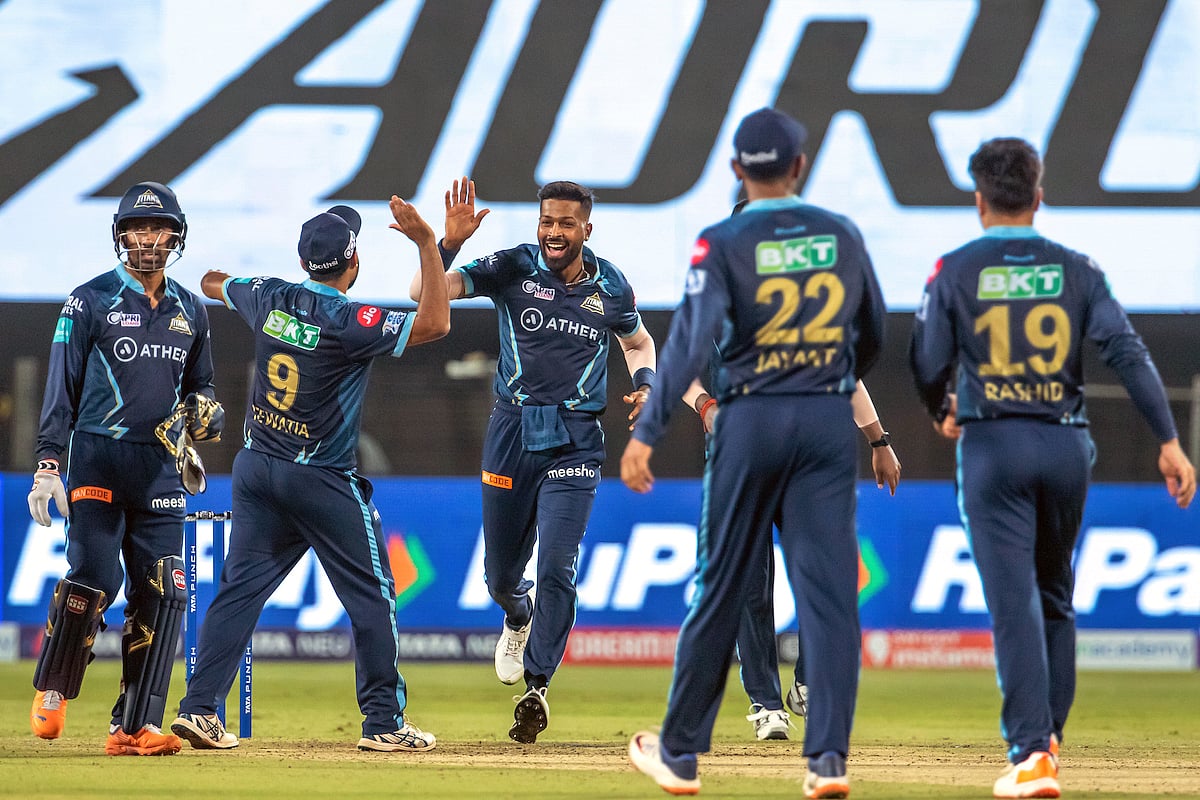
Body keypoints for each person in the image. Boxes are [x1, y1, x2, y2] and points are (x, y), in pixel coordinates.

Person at [910, 137, 1195, 799]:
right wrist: (1169, 440)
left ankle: (1031, 754)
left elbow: (926, 358)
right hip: (1065, 445)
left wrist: (940, 406)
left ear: (979, 201)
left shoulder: (954, 268)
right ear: (1038, 198)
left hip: (993, 446)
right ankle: (1049, 741)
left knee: (1013, 605)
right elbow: (1128, 355)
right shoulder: (1078, 268)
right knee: (1055, 600)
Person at [622, 107, 885, 798]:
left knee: (723, 585)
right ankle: (827, 760)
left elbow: (687, 343)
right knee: (830, 601)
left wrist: (647, 431)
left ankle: (680, 754)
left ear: (738, 169)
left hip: (750, 420)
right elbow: (874, 336)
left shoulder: (722, 241)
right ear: (799, 165)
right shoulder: (841, 234)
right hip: (827, 422)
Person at [170, 197, 450, 752]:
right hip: (319, 475)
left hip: (256, 470)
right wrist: (425, 243)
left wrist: (232, 284)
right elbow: (437, 323)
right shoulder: (352, 321)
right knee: (373, 596)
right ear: (353, 262)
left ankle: (199, 710)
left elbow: (208, 280)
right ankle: (383, 724)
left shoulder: (270, 296)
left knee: (239, 592)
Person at [410, 177, 657, 744]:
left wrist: (645, 383)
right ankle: (516, 615)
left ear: (585, 229)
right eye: (547, 221)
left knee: (557, 567)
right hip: (512, 430)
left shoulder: (611, 284)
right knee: (501, 577)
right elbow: (424, 292)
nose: (553, 232)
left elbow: (638, 341)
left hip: (576, 437)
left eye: (565, 223)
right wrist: (443, 246)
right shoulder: (512, 266)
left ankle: (537, 688)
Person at [28, 181, 223, 756]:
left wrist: (204, 409)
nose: (147, 239)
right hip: (98, 457)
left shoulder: (192, 309)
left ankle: (132, 727)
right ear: (121, 236)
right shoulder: (87, 301)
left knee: (164, 589)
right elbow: (59, 385)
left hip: (162, 468)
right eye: (137, 229)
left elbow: (202, 385)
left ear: (175, 236)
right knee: (95, 575)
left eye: (158, 229)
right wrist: (47, 462)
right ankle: (54, 689)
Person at [681, 376, 899, 741]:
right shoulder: (718, 316)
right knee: (751, 586)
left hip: (807, 460)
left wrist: (879, 441)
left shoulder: (817, 319)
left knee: (825, 575)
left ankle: (808, 683)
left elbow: (848, 372)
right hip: (736, 458)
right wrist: (704, 403)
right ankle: (766, 704)